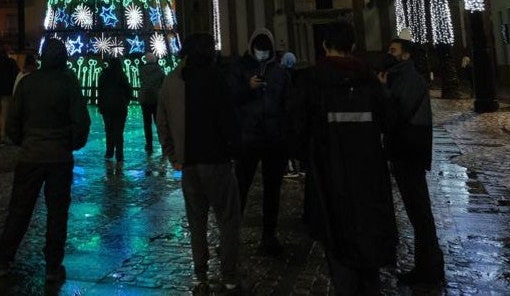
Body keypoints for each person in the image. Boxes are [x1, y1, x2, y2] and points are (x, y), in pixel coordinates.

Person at [292, 21, 396, 295]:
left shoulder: (311, 81)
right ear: (352, 47)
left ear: (324, 46)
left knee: (336, 246)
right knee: (368, 246)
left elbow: (297, 130)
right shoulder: (368, 79)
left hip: (328, 176)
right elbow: (390, 122)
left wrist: (306, 159)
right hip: (368, 175)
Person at [0, 39, 90, 283]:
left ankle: (3, 258)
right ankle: (53, 265)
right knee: (57, 212)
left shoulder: (28, 83)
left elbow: (13, 121)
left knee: (20, 209)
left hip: (30, 156)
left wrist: (24, 141)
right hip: (59, 159)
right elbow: (81, 122)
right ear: (63, 59)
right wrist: (69, 144)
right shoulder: (68, 83)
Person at [157, 33, 242, 293]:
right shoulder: (217, 79)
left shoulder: (172, 81)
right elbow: (229, 119)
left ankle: (201, 275)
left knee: (196, 221)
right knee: (228, 219)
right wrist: (234, 150)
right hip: (216, 161)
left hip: (189, 165)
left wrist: (173, 156)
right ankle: (228, 276)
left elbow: (162, 122)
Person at [380, 36, 445, 286]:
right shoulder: (402, 76)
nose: (389, 53)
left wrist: (383, 91)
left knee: (419, 212)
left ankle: (428, 269)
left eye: (393, 50)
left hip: (409, 151)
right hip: (408, 150)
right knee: (418, 212)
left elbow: (396, 114)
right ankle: (429, 265)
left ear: (405, 55)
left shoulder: (407, 79)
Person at [228, 28, 290, 255]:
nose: (262, 54)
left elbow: (286, 103)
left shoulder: (280, 72)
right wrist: (248, 87)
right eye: (258, 50)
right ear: (251, 48)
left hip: (273, 138)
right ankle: (231, 236)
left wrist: (286, 134)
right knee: (240, 188)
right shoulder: (240, 67)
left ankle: (269, 236)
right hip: (248, 137)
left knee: (272, 189)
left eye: (265, 50)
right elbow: (231, 97)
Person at [97, 58, 133, 163]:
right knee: (119, 131)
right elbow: (128, 90)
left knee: (108, 130)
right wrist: (125, 101)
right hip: (120, 107)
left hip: (107, 107)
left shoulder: (103, 75)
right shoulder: (121, 76)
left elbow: (100, 91)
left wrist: (101, 104)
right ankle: (119, 154)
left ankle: (109, 152)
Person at [138, 54, 166, 154]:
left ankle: (149, 144)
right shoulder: (159, 70)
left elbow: (141, 80)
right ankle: (163, 144)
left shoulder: (141, 70)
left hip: (145, 98)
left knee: (147, 123)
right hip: (156, 99)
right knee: (158, 122)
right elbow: (163, 82)